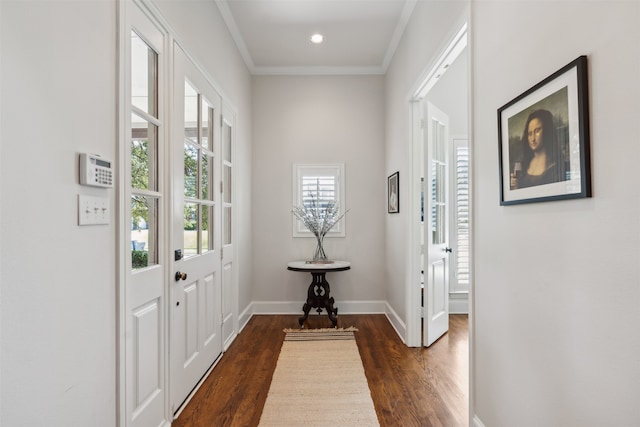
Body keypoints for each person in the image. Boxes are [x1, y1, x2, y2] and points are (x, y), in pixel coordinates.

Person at [510, 109, 565, 189]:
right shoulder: (524, 165)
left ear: (547, 130)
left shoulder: (556, 166)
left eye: (537, 131)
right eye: (529, 134)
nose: (533, 139)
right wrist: (515, 187)